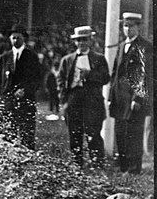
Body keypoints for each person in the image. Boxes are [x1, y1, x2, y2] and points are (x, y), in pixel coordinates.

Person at [56, 25, 110, 168]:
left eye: (85, 40)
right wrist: (64, 100)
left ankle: (97, 163)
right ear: (75, 42)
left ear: (90, 41)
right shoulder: (67, 60)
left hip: (92, 99)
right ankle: (77, 164)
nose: (82, 43)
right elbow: (60, 81)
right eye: (79, 40)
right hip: (74, 98)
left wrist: (90, 74)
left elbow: (106, 78)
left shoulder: (99, 58)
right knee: (75, 133)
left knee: (93, 133)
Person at [109, 12, 153, 175]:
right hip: (120, 97)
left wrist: (138, 98)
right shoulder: (122, 46)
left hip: (134, 97)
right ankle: (123, 166)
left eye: (131, 26)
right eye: (125, 26)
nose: (128, 29)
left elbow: (145, 74)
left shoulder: (145, 46)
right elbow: (115, 73)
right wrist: (110, 97)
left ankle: (134, 168)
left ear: (138, 27)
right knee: (120, 131)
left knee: (134, 133)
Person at [0, 24, 41, 149]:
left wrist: (25, 90)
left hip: (26, 101)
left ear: (24, 39)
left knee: (27, 133)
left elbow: (37, 79)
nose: (15, 40)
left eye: (18, 38)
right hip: (8, 102)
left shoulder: (32, 56)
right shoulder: (4, 58)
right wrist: (2, 97)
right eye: (13, 38)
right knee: (9, 133)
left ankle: (28, 160)